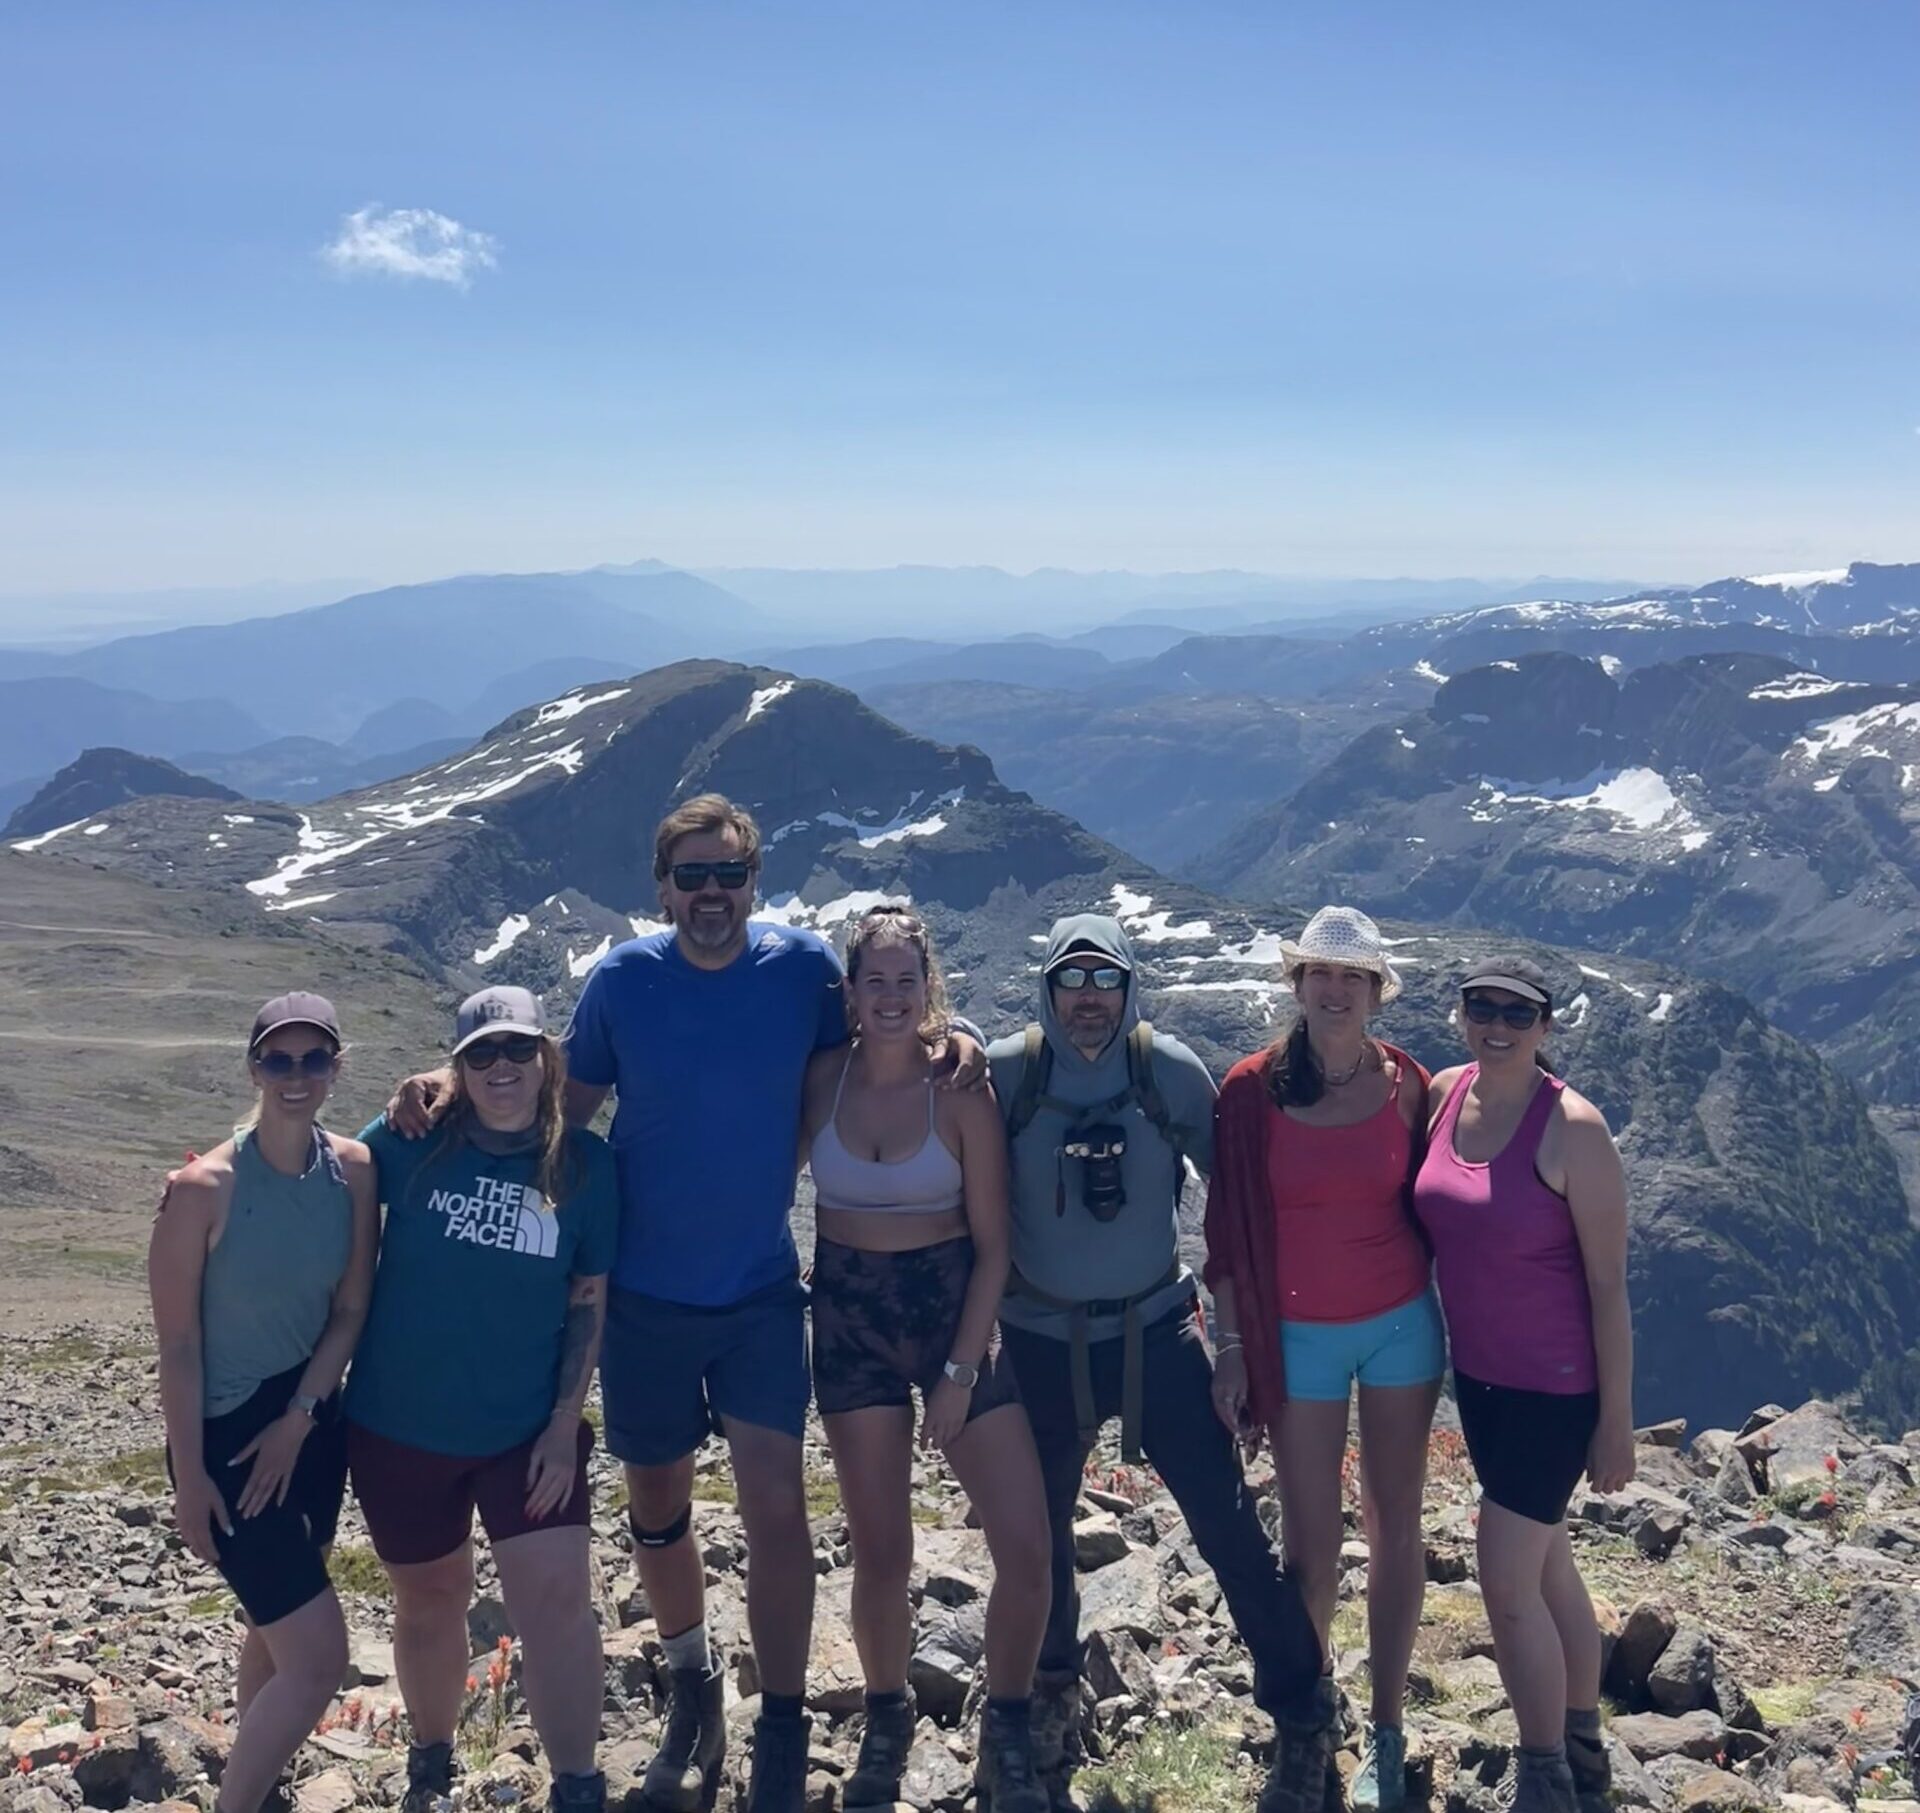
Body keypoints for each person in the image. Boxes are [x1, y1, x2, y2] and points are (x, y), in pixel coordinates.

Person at [387, 795, 984, 1813]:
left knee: (777, 1510)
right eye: (692, 877)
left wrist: (959, 1031)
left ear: (756, 881)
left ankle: (785, 1717)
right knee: (657, 1510)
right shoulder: (625, 981)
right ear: (662, 888)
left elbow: (891, 1017)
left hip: (756, 1293)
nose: (712, 895)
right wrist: (444, 1086)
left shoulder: (799, 970)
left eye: (730, 875)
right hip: (645, 1300)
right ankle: (696, 1683)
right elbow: (559, 1113)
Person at [989, 915, 1327, 1813]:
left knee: (1228, 1531)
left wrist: (1232, 1346)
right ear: (1048, 990)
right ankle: (1053, 1692)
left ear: (1129, 986)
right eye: (1072, 980)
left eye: (1105, 979)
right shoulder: (1003, 1073)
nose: (1089, 998)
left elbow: (1232, 1214)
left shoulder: (1167, 1072)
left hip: (1157, 1333)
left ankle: (1303, 1717)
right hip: (1039, 1337)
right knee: (1040, 1534)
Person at [801, 906, 1050, 1813]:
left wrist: (958, 1370)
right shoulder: (820, 1079)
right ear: (852, 992)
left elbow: (995, 1245)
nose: (893, 996)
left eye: (909, 980)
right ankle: (885, 1710)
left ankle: (1011, 1722)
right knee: (881, 1549)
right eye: (876, 980)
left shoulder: (960, 1090)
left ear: (929, 986)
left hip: (953, 1314)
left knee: (1025, 1546)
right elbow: (749, 1170)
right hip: (851, 1320)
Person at [349, 986, 618, 1813]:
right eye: (481, 1054)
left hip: (525, 1432)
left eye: (517, 1050)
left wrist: (561, 1420)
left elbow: (587, 1296)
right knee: (431, 1599)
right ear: (458, 1067)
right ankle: (430, 1760)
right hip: (400, 1426)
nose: (501, 1067)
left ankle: (578, 1785)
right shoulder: (406, 1143)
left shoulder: (585, 1164)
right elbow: (319, 1187)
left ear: (546, 1058)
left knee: (558, 1605)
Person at [1207, 906, 1443, 1812]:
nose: (1335, 990)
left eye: (1352, 976)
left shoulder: (1408, 1083)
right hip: (1295, 1337)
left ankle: (1384, 1723)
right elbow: (1225, 1227)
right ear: (1296, 985)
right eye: (1320, 974)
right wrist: (1231, 1346)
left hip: (1400, 1329)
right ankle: (1307, 1724)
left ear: (1376, 990)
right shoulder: (1249, 1090)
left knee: (1394, 1527)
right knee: (1310, 1546)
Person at [148, 993, 379, 1813]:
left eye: (313, 1058)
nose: (295, 1075)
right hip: (226, 1439)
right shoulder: (201, 1188)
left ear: (335, 1068)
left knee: (273, 1628)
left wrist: (302, 1415)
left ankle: (259, 1778)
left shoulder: (353, 1170)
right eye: (278, 1059)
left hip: (310, 1422)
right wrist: (188, 1478)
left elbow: (351, 1307)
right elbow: (177, 1344)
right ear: (253, 1067)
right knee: (318, 1660)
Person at [1413, 957, 1634, 1813]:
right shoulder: (1441, 1094)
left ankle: (1542, 1773)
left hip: (1555, 1392)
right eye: (1481, 1005)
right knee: (1548, 1572)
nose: (1496, 1023)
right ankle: (1583, 1748)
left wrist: (1616, 1421)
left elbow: (1610, 1286)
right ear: (1461, 1012)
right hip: (1482, 1384)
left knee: (1504, 1586)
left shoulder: (1573, 1126)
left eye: (1518, 1011)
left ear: (1546, 1026)